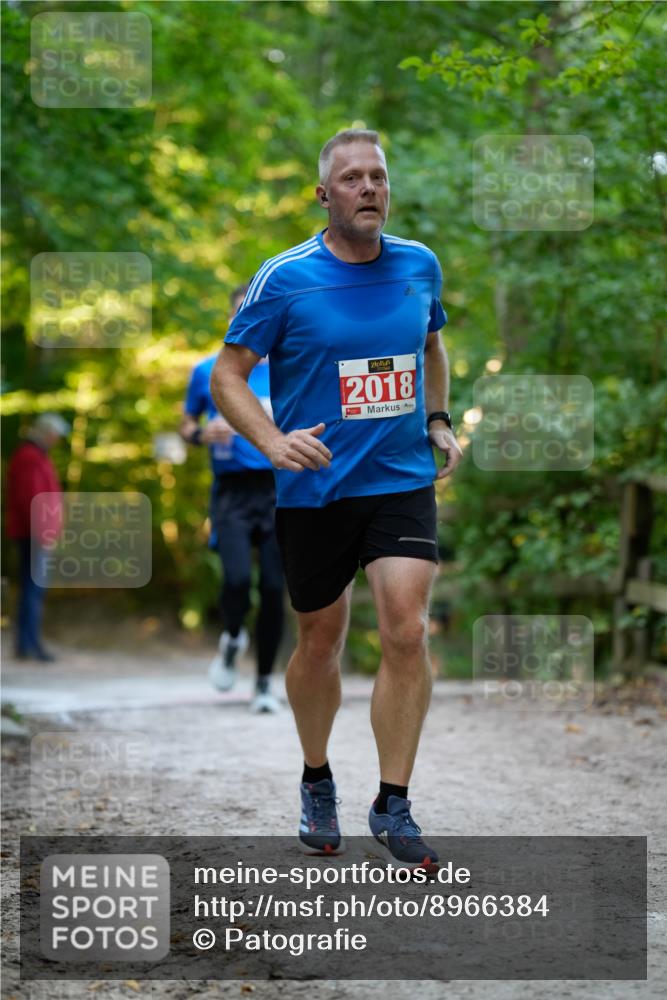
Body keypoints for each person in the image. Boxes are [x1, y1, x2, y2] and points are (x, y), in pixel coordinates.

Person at [211, 129, 462, 869]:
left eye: (377, 176)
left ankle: (394, 802)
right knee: (319, 640)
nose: (367, 188)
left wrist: (439, 421)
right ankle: (316, 778)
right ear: (324, 194)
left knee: (406, 631)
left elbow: (432, 344)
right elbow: (229, 376)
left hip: (399, 481)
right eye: (351, 178)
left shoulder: (419, 265)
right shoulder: (283, 277)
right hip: (314, 487)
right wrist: (271, 442)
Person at [181, 284, 284, 714]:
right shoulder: (208, 370)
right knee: (238, 581)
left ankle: (263, 684)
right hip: (231, 494)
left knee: (276, 590)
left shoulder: (286, 370)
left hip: (281, 492)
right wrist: (202, 434)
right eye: (241, 313)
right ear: (230, 318)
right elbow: (186, 425)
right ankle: (232, 636)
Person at [6, 413, 69, 662]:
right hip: (34, 534)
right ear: (47, 432)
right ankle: (30, 646)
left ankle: (28, 645)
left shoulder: (36, 455)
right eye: (55, 435)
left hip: (36, 533)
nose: (57, 440)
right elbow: (31, 499)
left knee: (34, 590)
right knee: (34, 590)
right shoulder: (29, 457)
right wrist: (44, 533)